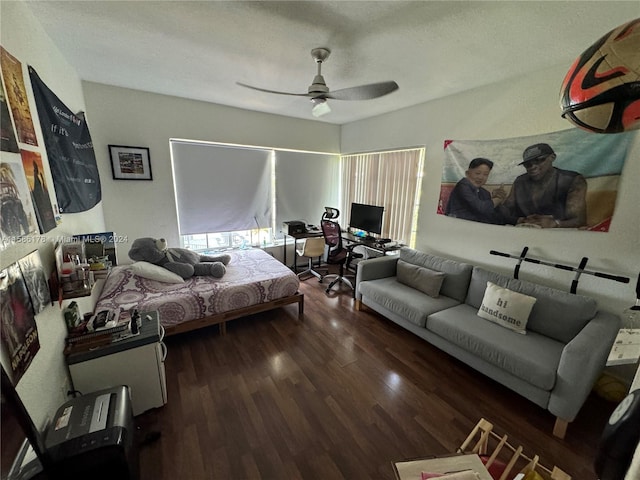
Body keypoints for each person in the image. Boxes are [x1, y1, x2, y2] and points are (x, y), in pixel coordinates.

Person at [498, 143, 587, 228]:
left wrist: (556, 224)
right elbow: (504, 212)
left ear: (552, 157)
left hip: (559, 238)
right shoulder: (520, 181)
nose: (533, 167)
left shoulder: (572, 180)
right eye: (528, 164)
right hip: (524, 235)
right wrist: (498, 200)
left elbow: (579, 220)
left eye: (539, 160)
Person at [445, 157, 506, 224]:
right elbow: (481, 208)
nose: (481, 177)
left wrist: (515, 220)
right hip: (456, 226)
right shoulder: (463, 186)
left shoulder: (485, 193)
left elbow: (492, 215)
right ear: (467, 173)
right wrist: (498, 199)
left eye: (485, 174)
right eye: (477, 173)